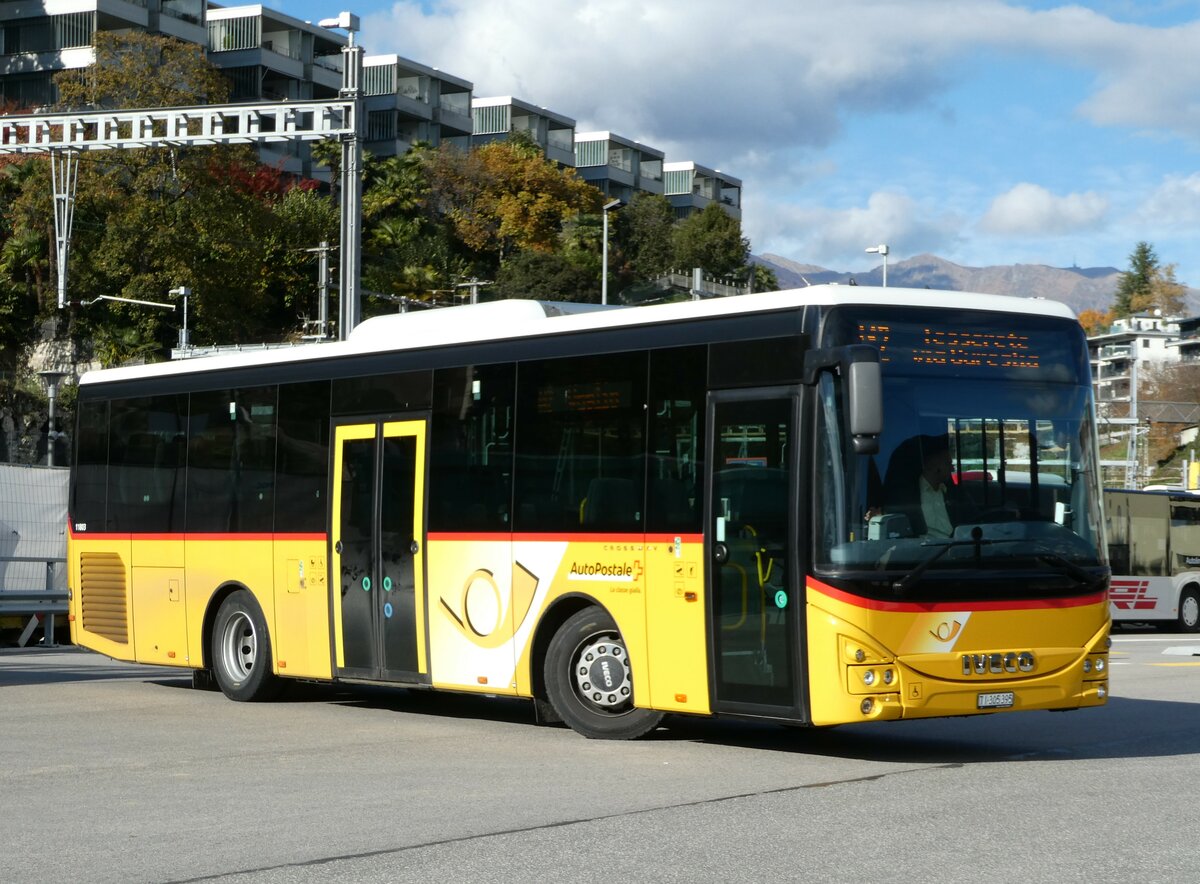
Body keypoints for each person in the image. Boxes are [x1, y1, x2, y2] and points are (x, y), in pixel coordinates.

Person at [917, 435, 954, 538]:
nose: (952, 469)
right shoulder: (912, 494)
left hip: (955, 546)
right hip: (927, 550)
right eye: (948, 464)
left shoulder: (951, 493)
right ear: (933, 466)